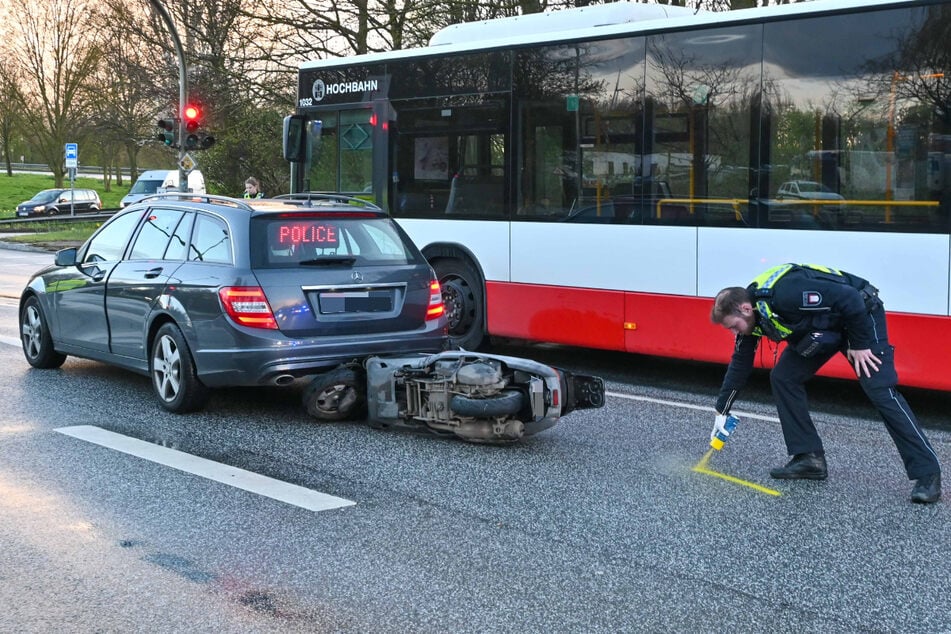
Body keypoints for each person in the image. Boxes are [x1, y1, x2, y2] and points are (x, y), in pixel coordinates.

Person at [710, 263, 941, 504]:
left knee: (880, 390)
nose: (734, 332)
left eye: (733, 326)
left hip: (860, 315)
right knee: (783, 378)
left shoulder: (786, 293)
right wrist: (722, 409)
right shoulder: (753, 318)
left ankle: (928, 474)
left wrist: (860, 344)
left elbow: (850, 298)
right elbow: (740, 364)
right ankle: (809, 459)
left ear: (745, 309)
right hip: (824, 327)